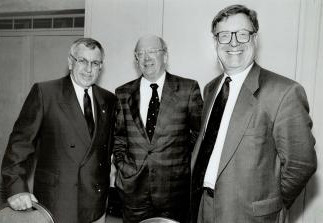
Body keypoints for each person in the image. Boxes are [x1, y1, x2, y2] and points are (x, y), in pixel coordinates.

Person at [191, 4, 317, 223]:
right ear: (215, 42)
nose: (233, 43)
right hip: (204, 208)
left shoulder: (283, 92)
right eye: (224, 35)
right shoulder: (211, 89)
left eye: (242, 34)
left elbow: (301, 163)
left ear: (255, 39)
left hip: (251, 216)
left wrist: (271, 204)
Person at [1, 38, 116, 223]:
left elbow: (106, 150)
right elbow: (19, 145)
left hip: (96, 205)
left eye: (95, 63)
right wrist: (17, 188)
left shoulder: (108, 100)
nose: (88, 69)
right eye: (82, 61)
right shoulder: (46, 93)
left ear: (101, 67)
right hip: (57, 202)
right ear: (70, 62)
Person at [113, 34, 203, 223]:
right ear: (136, 59)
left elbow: (200, 135)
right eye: (141, 53)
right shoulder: (122, 93)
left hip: (175, 191)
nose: (146, 57)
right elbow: (118, 137)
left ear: (165, 56)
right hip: (133, 191)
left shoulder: (188, 89)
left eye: (153, 51)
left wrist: (183, 166)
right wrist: (123, 166)